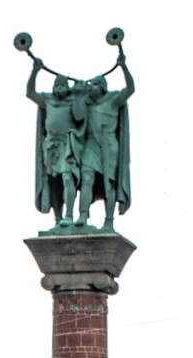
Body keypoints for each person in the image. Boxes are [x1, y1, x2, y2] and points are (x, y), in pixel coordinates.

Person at [77, 46, 133, 229]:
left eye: (95, 84)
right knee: (86, 179)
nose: (92, 88)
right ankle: (83, 216)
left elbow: (130, 88)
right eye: (90, 85)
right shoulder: (85, 103)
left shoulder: (113, 100)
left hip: (109, 145)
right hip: (91, 144)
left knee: (109, 185)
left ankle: (109, 221)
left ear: (102, 87)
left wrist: (123, 66)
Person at [27, 59, 86, 227]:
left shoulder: (72, 100)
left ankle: (69, 214)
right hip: (50, 146)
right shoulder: (48, 100)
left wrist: (77, 96)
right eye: (57, 86)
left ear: (67, 88)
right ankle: (58, 218)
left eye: (62, 86)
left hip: (67, 144)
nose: (59, 88)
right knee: (54, 181)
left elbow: (80, 117)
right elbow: (30, 93)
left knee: (68, 177)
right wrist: (35, 71)